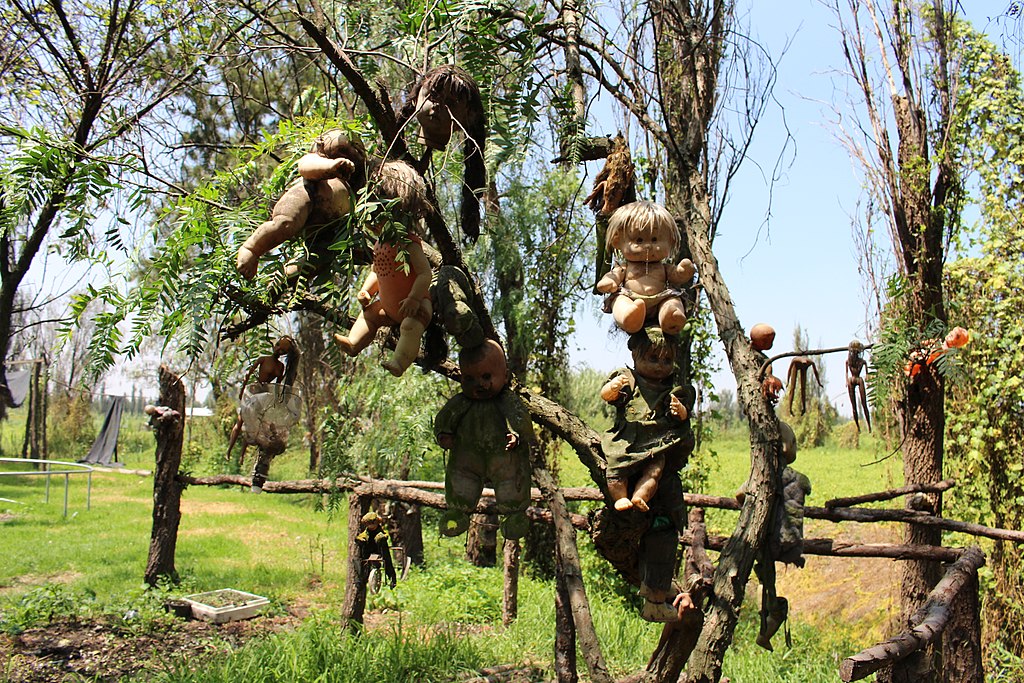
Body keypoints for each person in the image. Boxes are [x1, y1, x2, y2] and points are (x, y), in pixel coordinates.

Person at [334, 160, 433, 377]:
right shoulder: (380, 243)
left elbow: (426, 273)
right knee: (369, 314)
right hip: (387, 307)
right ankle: (353, 343)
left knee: (410, 328)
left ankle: (399, 362)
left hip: (415, 308)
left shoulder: (408, 242)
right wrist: (367, 291)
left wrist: (415, 298)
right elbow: (378, 270)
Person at [434, 340, 534, 540]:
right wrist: (444, 434)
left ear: (504, 376)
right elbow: (445, 418)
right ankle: (458, 512)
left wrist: (516, 435)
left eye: (487, 376)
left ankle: (514, 514)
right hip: (467, 458)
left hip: (504, 457)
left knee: (512, 480)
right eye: (470, 378)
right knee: (461, 478)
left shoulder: (507, 400)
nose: (479, 384)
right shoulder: (461, 403)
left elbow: (520, 420)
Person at [236, 130, 365, 281]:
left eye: (357, 147)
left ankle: (283, 279)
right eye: (347, 145)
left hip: (327, 226)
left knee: (319, 258)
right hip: (308, 195)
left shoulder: (356, 186)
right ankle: (252, 248)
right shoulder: (316, 159)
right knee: (284, 224)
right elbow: (305, 167)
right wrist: (330, 166)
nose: (353, 150)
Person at [226, 336, 298, 464]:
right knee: (241, 420)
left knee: (254, 424)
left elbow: (277, 384)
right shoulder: (263, 359)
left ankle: (243, 455)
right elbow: (248, 375)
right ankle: (229, 451)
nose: (278, 350)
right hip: (254, 391)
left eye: (283, 351)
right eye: (278, 346)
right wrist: (242, 390)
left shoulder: (280, 367)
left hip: (264, 396)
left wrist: (278, 400)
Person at [355, 511, 397, 589]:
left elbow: (385, 534)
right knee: (358, 560)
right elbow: (362, 535)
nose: (369, 526)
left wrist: (382, 537)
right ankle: (360, 580)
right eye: (367, 524)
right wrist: (360, 539)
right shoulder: (367, 532)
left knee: (387, 561)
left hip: (380, 550)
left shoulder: (380, 531)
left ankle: (392, 578)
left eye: (371, 523)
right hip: (368, 550)